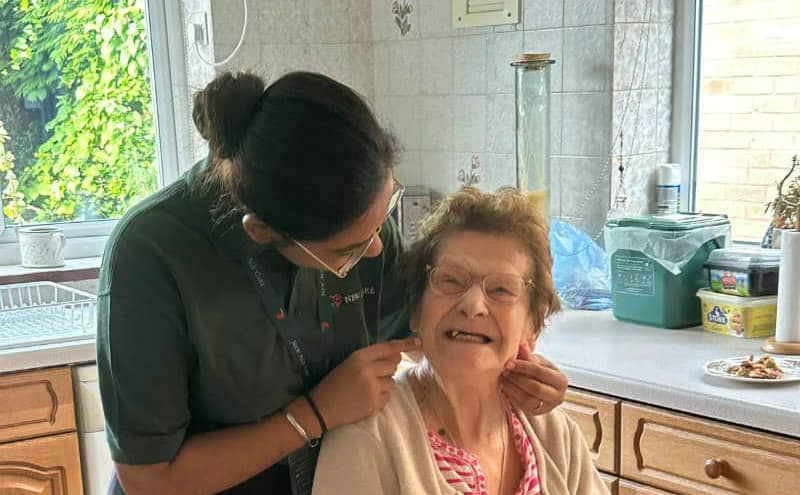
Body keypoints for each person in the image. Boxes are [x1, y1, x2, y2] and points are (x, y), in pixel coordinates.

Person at [97, 71, 569, 495]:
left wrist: (513, 367)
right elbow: (150, 478)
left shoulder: (356, 215)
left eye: (382, 219)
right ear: (262, 232)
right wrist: (314, 414)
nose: (378, 252)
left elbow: (430, 330)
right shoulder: (151, 256)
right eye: (348, 251)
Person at [313, 187, 610, 495]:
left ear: (532, 327)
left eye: (501, 290)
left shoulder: (552, 433)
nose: (473, 304)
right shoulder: (368, 435)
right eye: (450, 280)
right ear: (415, 312)